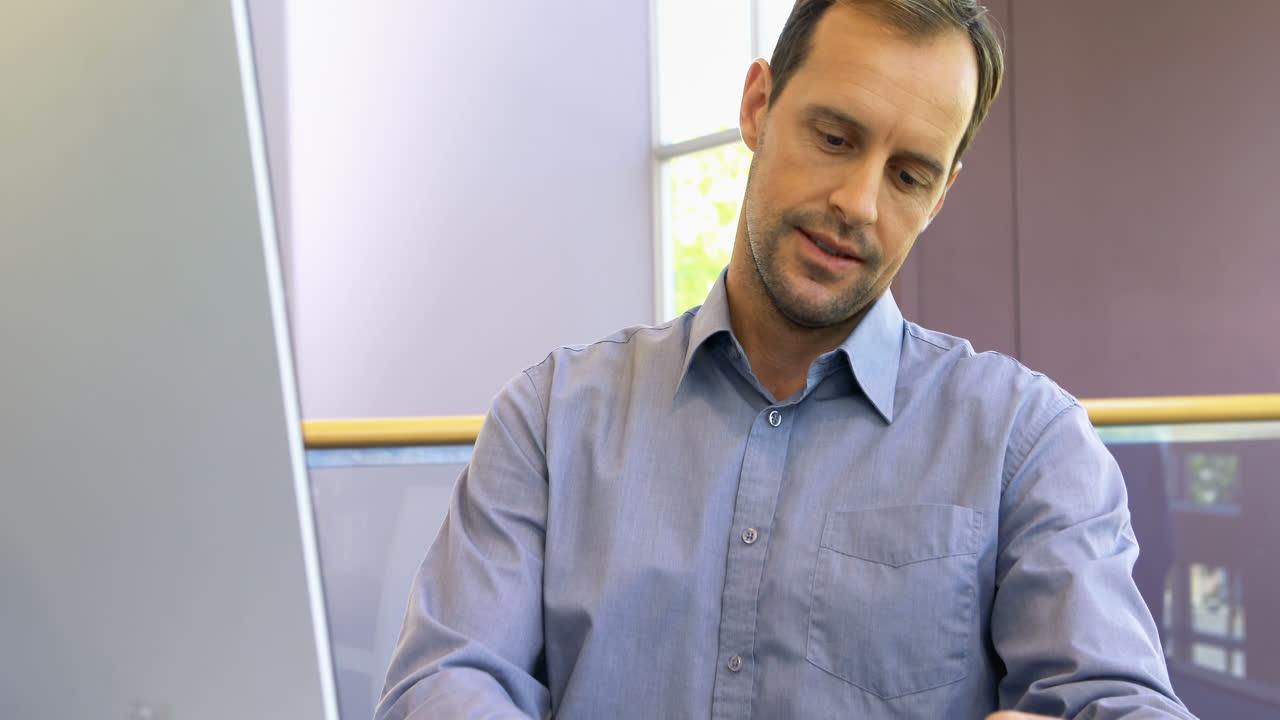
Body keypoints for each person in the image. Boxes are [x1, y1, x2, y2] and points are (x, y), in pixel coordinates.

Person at [376, 1, 1196, 717]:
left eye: (908, 176)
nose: (858, 204)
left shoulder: (1027, 442)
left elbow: (1120, 704)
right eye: (835, 137)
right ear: (759, 106)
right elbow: (443, 682)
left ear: (940, 196)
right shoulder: (553, 419)